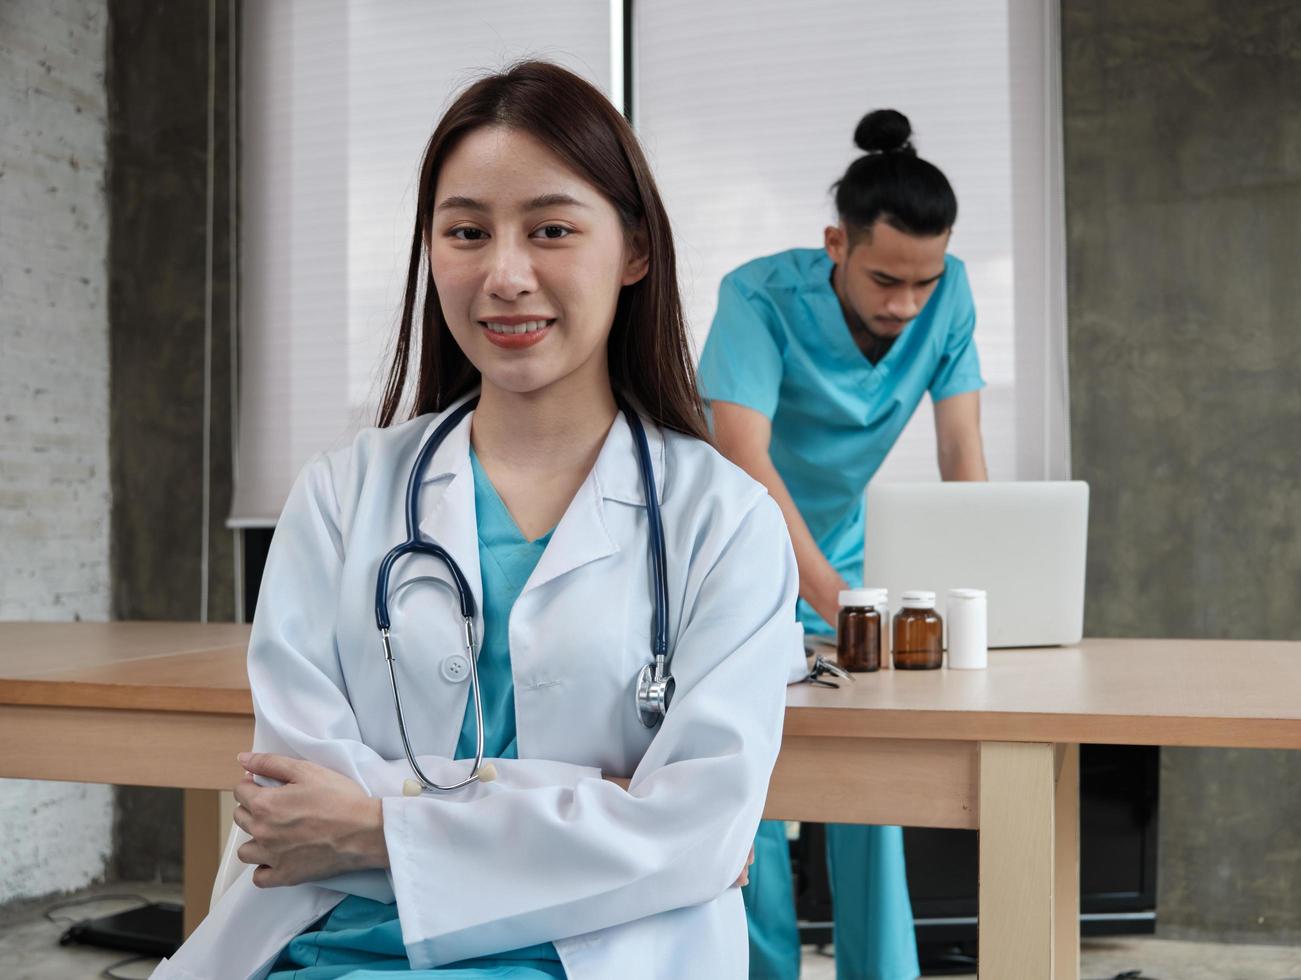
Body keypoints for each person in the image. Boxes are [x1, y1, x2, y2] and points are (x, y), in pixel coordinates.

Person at [153, 61, 800, 980]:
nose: (504, 275)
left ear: (635, 251)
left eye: (551, 230)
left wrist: (378, 824)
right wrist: (602, 807)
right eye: (466, 232)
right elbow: (296, 805)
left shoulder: (726, 521)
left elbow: (700, 829)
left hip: (598, 960)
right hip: (325, 946)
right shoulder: (343, 496)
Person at [698, 109, 988, 980]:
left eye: (923, 282)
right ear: (836, 242)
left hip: (851, 558)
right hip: (739, 558)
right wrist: (830, 595)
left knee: (873, 783)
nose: (906, 305)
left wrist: (981, 583)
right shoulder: (756, 296)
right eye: (885, 279)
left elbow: (961, 448)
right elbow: (741, 458)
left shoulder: (950, 292)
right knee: (753, 785)